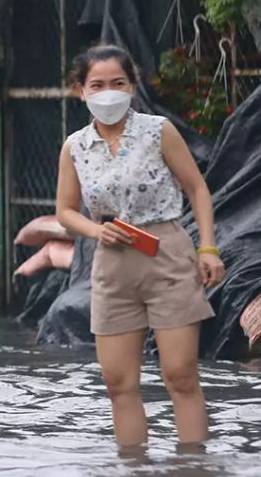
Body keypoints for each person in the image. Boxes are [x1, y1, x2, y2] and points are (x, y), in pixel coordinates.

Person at [55, 44, 225, 448]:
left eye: (118, 82)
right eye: (97, 84)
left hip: (166, 253)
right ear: (80, 90)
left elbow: (197, 188)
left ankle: (193, 469)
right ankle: (133, 467)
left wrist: (208, 247)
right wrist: (96, 232)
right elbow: (64, 211)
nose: (108, 92)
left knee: (180, 375)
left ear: (133, 85)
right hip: (112, 262)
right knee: (118, 382)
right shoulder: (74, 147)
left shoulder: (158, 130)